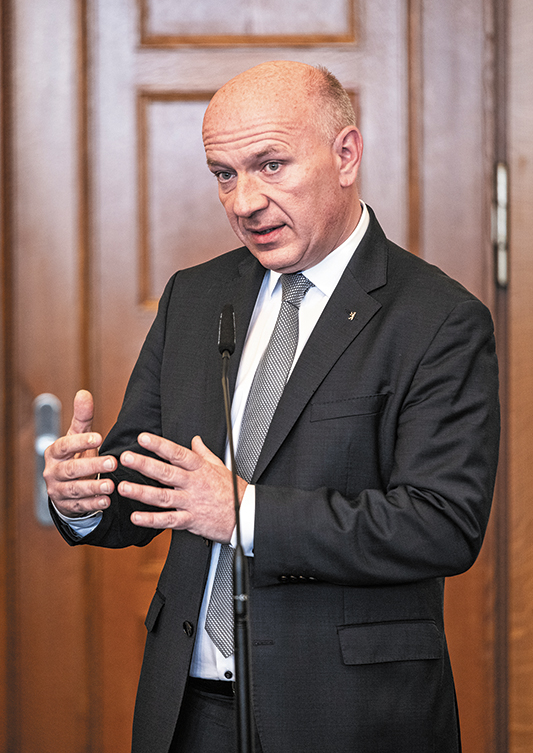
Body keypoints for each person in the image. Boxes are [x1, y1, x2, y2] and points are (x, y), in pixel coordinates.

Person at [44, 61, 500, 753]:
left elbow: (441, 524)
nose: (244, 202)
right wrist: (84, 496)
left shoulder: (437, 319)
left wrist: (245, 513)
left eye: (270, 165)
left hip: (347, 715)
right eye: (224, 175)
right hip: (189, 710)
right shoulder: (194, 297)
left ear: (345, 155)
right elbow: (149, 481)